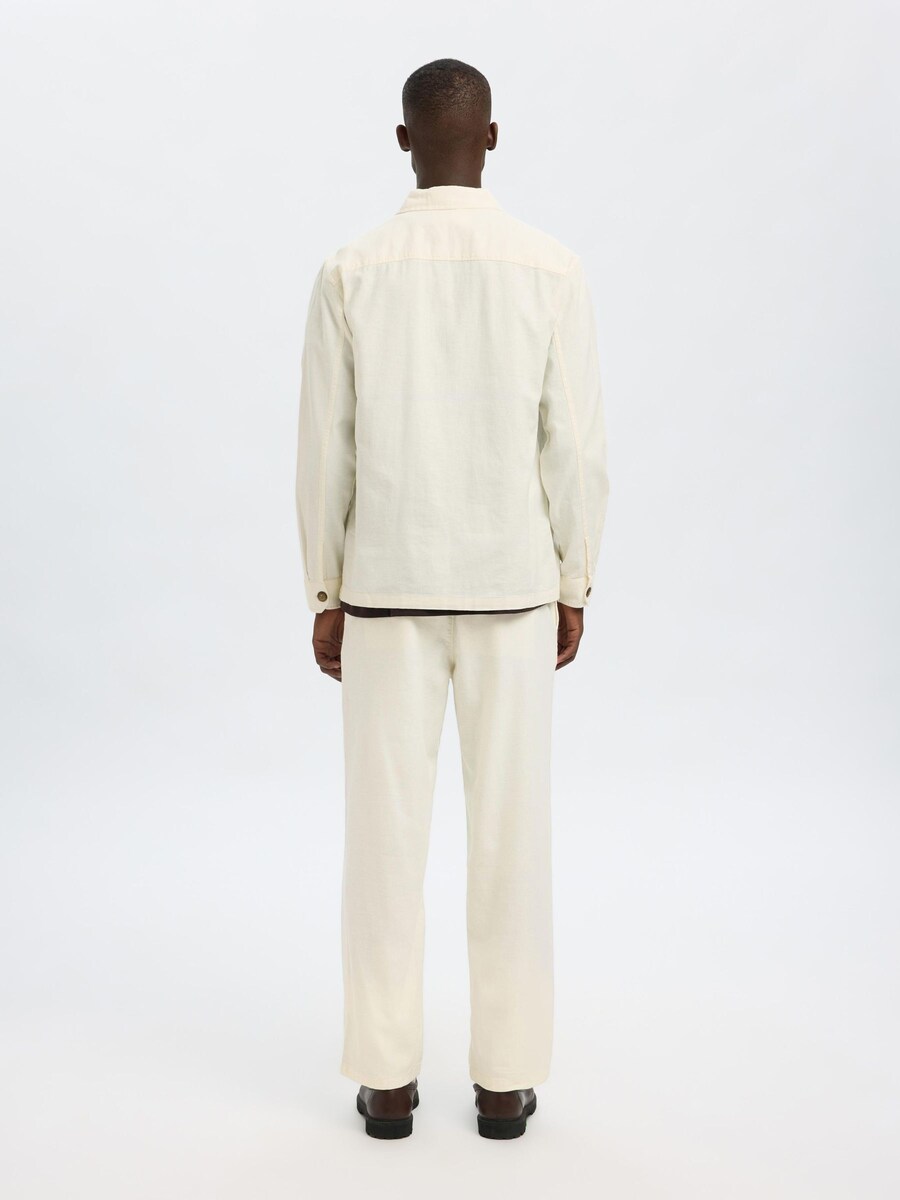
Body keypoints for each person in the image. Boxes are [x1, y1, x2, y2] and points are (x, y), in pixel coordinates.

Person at [295, 58, 609, 1140]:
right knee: (512, 838)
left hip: (384, 589)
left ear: (404, 141)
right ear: (491, 137)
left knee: (382, 841)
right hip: (512, 589)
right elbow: (575, 445)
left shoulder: (352, 269)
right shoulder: (550, 268)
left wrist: (324, 589)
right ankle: (505, 1083)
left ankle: (386, 1082)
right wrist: (573, 578)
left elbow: (325, 449)